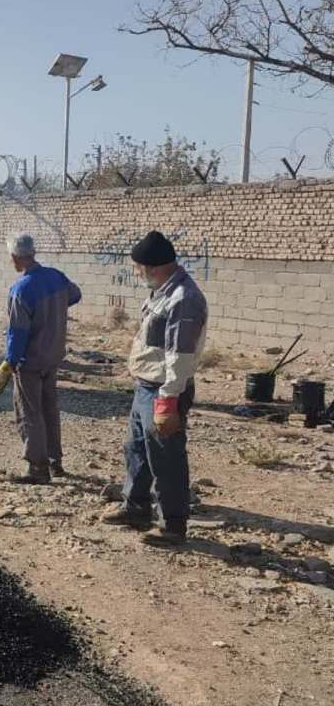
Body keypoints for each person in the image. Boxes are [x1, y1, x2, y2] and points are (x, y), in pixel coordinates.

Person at [102, 230, 208, 547]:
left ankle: (172, 525)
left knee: (167, 458)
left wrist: (168, 400)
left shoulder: (183, 300)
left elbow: (180, 355)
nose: (136, 273)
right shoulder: (163, 291)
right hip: (146, 386)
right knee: (136, 450)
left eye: (138, 268)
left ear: (152, 267)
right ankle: (136, 508)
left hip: (164, 390)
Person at [0, 234, 82, 485]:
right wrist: (54, 312)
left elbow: (17, 332)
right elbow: (75, 295)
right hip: (53, 357)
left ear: (15, 258)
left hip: (30, 362)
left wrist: (9, 362)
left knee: (29, 412)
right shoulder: (56, 277)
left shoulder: (21, 289)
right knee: (50, 408)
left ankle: (37, 468)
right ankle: (55, 462)